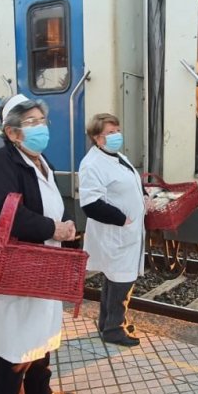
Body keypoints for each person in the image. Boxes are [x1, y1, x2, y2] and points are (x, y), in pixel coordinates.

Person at [0, 94, 77, 394]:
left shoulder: (38, 159)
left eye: (41, 120)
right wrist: (54, 229)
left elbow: (53, 202)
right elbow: (7, 212)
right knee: (15, 346)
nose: (41, 128)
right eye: (31, 123)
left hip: (43, 264)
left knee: (42, 333)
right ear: (12, 133)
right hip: (15, 268)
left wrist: (66, 226)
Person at [79, 113, 147, 347]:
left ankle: (107, 323)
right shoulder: (92, 164)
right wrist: (123, 220)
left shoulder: (116, 156)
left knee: (114, 277)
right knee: (121, 280)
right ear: (98, 138)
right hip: (116, 233)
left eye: (117, 130)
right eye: (110, 132)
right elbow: (90, 204)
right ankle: (114, 329)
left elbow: (131, 182)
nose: (117, 135)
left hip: (125, 233)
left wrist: (146, 196)